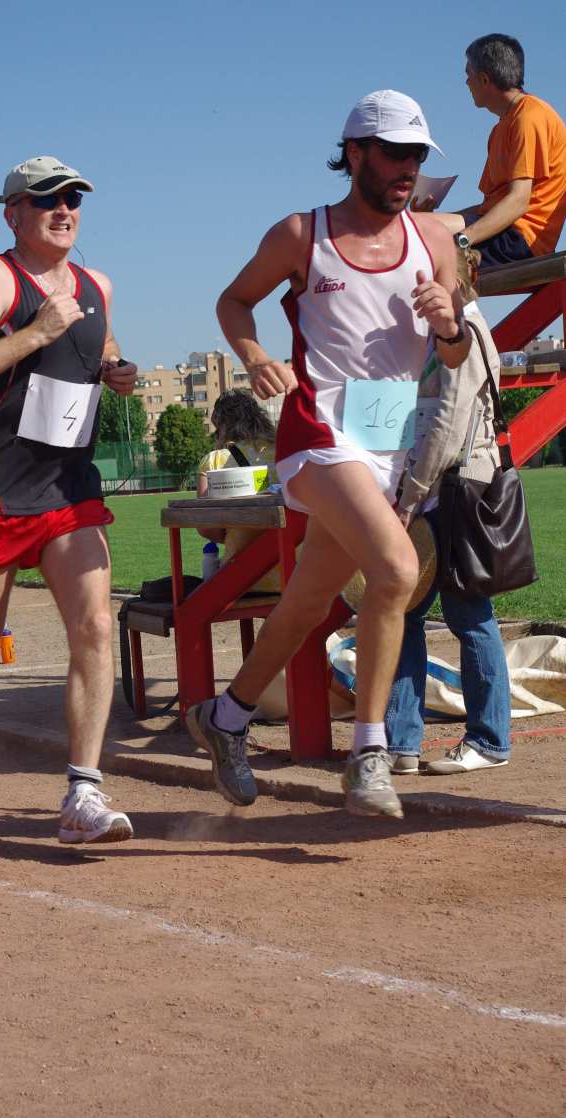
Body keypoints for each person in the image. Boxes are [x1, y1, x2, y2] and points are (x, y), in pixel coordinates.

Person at [187, 90, 471, 820]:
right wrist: (254, 356)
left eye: (416, 156)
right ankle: (369, 753)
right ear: (354, 153)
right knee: (396, 569)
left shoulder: (435, 242)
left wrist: (449, 326)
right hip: (316, 433)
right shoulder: (300, 234)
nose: (407, 169)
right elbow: (233, 301)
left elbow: (454, 352)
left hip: (387, 438)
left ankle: (225, 716)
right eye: (395, 153)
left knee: (310, 599)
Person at [0, 155, 135, 844]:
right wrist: (35, 332)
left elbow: (102, 346)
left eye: (73, 199)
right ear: (13, 214)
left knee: (94, 626)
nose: (63, 210)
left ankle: (83, 793)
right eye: (46, 200)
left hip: (68, 489)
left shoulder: (96, 284)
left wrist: (117, 370)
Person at [386, 248, 511, 774]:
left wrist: (408, 497)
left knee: (467, 614)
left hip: (453, 492)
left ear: (455, 281)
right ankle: (402, 742)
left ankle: (488, 740)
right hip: (435, 493)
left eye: (429, 278)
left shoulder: (468, 332)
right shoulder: (438, 335)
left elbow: (447, 428)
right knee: (406, 612)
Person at [424, 34, 566, 266]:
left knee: (416, 243)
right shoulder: (501, 127)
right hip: (503, 231)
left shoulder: (530, 117)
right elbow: (487, 208)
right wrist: (432, 219)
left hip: (520, 240)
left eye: (468, 75)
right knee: (411, 225)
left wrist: (462, 240)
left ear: (484, 79)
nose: (466, 83)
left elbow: (518, 202)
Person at [196, 388, 279, 593]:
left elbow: (205, 526)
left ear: (222, 424)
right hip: (295, 571)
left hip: (241, 576)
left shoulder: (215, 460)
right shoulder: (286, 452)